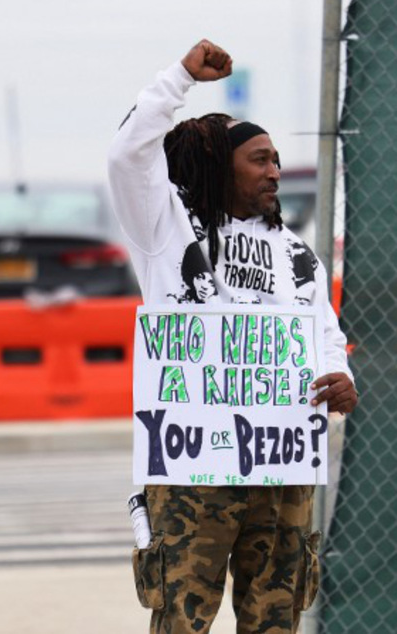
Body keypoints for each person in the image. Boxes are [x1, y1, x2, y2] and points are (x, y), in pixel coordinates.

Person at [108, 40, 359, 633]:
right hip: (196, 473)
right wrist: (178, 80)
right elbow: (126, 157)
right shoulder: (168, 232)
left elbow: (323, 333)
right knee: (181, 622)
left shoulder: (295, 252)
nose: (274, 170)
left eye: (276, 159)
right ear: (222, 165)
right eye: (259, 159)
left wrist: (341, 377)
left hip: (282, 474)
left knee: (277, 620)